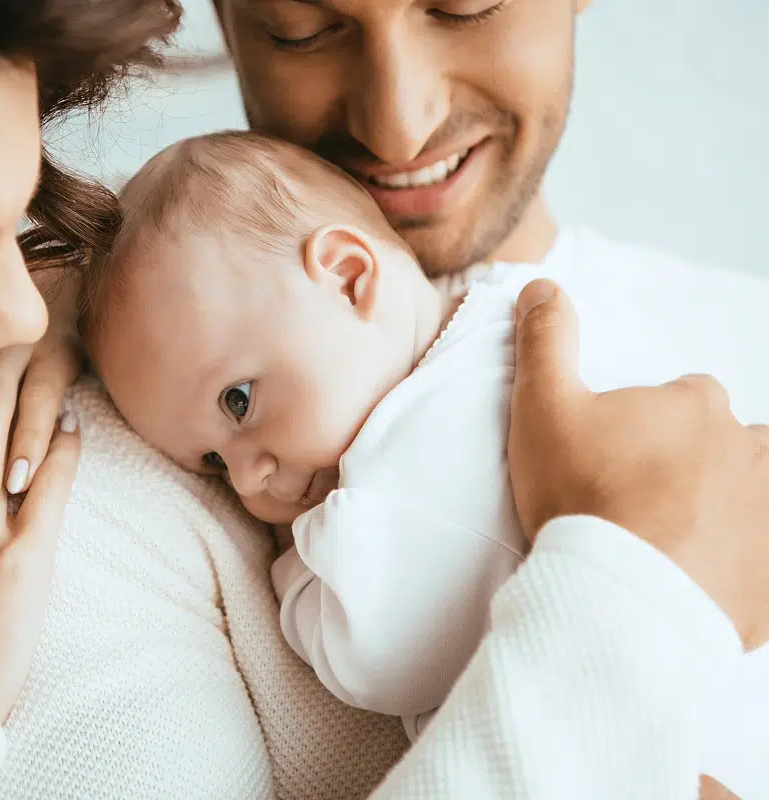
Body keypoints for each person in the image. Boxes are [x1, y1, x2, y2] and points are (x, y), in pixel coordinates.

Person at [0, 1, 767, 799]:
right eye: (304, 28)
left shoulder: (738, 329)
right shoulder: (57, 429)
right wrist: (629, 608)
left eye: (464, 6)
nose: (398, 120)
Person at [85, 129, 769, 787]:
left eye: (238, 402)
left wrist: (294, 570)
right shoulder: (512, 313)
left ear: (351, 278)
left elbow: (375, 660)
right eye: (210, 461)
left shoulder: (403, 463)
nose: (245, 478)